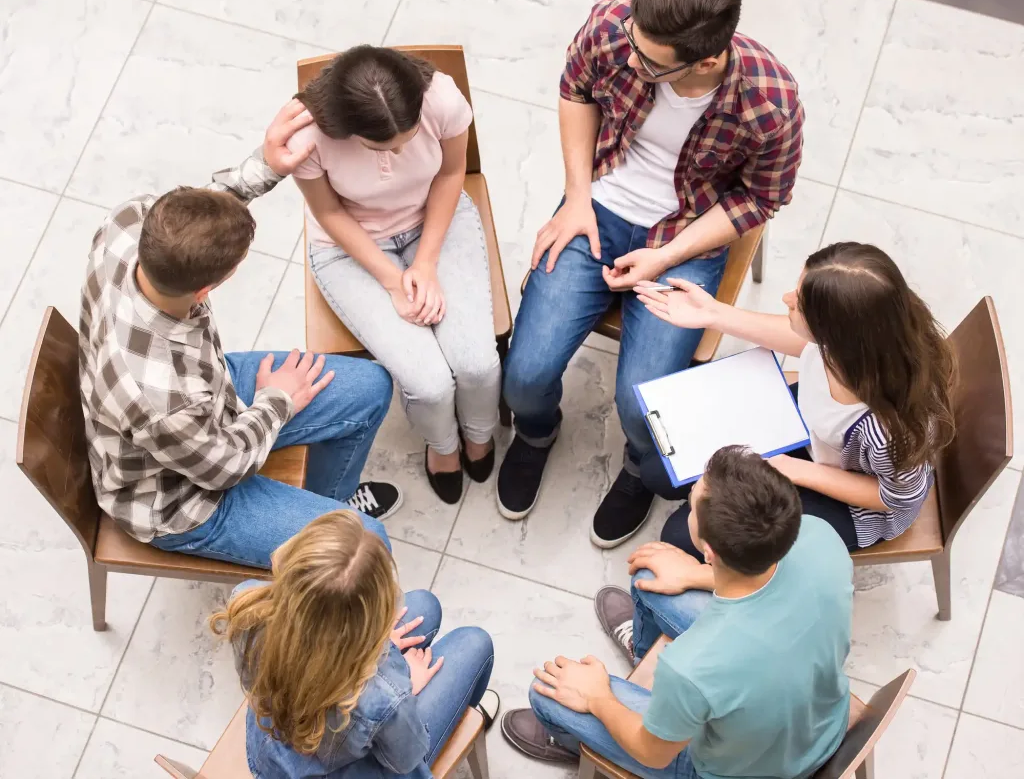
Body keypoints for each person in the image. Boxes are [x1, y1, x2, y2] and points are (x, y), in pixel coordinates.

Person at [497, 0, 805, 549]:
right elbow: (576, 88)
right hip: (597, 203)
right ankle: (537, 434)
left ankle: (639, 469)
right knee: (525, 376)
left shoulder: (771, 102)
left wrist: (665, 256)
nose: (630, 57)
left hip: (685, 232)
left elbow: (761, 199)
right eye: (632, 42)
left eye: (649, 61)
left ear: (707, 59)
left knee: (644, 409)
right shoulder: (619, 24)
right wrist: (577, 196)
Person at [79, 100, 402, 570]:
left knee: (371, 388)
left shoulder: (130, 223)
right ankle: (320, 547)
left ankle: (324, 507)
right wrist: (275, 400)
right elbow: (224, 468)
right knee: (364, 547)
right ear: (208, 288)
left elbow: (195, 213)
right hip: (182, 499)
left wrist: (265, 165)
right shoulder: (160, 400)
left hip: (210, 394)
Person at [500, 446, 854, 779]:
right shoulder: (821, 537)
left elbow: (653, 753)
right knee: (650, 578)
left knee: (545, 692)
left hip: (733, 770)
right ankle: (653, 678)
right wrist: (693, 573)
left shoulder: (690, 667)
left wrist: (598, 697)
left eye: (690, 504)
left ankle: (577, 743)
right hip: (822, 722)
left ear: (710, 551)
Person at [639, 241, 957, 556]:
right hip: (810, 436)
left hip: (852, 498)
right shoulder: (865, 337)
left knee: (680, 535)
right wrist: (713, 313)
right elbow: (801, 341)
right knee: (658, 469)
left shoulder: (887, 431)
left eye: (798, 303)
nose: (785, 299)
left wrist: (790, 470)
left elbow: (895, 497)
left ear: (834, 334)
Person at [288, 45, 500, 505]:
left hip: (436, 216)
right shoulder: (305, 134)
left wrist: (425, 263)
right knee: (427, 382)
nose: (400, 151)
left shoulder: (441, 98)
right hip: (350, 246)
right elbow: (327, 212)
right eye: (383, 148)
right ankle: (442, 447)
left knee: (478, 364)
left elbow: (449, 175)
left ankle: (479, 433)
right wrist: (391, 279)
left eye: (406, 140)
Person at [214, 510, 497, 778]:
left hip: (271, 756)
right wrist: (405, 683)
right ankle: (462, 715)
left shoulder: (248, 603)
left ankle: (455, 708)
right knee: (475, 643)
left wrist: (382, 656)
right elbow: (406, 758)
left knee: (424, 604)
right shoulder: (385, 695)